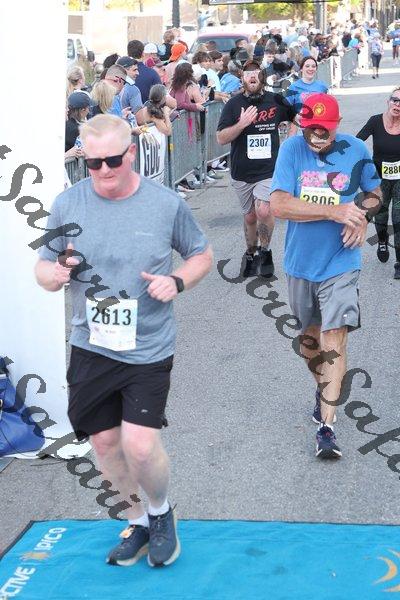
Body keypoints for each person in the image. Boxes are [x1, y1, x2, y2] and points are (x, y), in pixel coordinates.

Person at [35, 114, 213, 568]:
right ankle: (137, 521)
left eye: (113, 160)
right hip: (91, 345)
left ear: (131, 152)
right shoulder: (67, 205)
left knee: (139, 444)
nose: (104, 171)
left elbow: (201, 254)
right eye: (94, 163)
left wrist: (177, 280)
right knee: (104, 445)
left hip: (148, 346)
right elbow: (43, 268)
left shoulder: (164, 204)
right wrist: (55, 275)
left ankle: (161, 512)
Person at [269, 93, 381, 458]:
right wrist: (335, 211)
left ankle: (327, 428)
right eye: (311, 129)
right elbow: (279, 204)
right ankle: (324, 390)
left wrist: (362, 214)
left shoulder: (355, 150)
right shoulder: (292, 150)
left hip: (341, 262)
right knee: (309, 343)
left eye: (325, 130)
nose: (317, 137)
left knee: (335, 337)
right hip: (301, 264)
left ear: (338, 125)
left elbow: (374, 193)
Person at [216, 60, 297, 278]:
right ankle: (251, 253)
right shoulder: (233, 105)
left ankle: (266, 251)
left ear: (262, 76)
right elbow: (221, 138)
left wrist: (289, 142)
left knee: (263, 210)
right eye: (248, 72)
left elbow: (296, 118)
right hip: (242, 171)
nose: (252, 76)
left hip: (269, 169)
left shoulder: (276, 100)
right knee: (250, 216)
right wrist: (242, 124)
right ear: (242, 77)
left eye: (256, 72)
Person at [357, 87, 400, 278]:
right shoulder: (375, 121)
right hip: (379, 179)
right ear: (388, 101)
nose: (398, 105)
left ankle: (399, 262)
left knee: (398, 219)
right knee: (381, 216)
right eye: (395, 100)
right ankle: (382, 241)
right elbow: (358, 142)